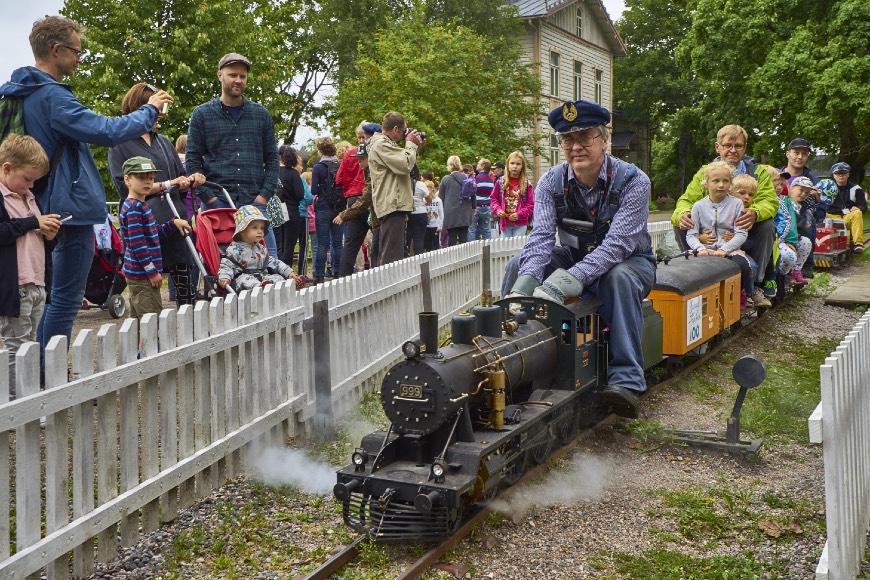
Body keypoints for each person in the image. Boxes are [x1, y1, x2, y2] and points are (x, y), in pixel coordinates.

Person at [0, 15, 172, 348]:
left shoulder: (20, 93)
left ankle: (32, 373)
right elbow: (107, 132)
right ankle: (47, 376)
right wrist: (150, 110)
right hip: (69, 208)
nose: (80, 58)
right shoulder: (53, 97)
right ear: (55, 49)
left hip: (38, 202)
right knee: (64, 299)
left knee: (40, 296)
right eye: (76, 51)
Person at [501, 100, 656, 418]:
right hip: (572, 256)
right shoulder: (549, 182)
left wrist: (566, 281)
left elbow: (617, 247)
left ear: (604, 140)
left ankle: (626, 379)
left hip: (631, 261)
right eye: (567, 139)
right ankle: (508, 358)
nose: (576, 146)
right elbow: (542, 238)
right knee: (518, 266)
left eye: (585, 137)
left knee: (619, 277)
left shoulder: (633, 181)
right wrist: (524, 285)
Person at [108, 82, 197, 307]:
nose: (159, 115)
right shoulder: (119, 143)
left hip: (175, 220)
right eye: (156, 108)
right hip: (143, 223)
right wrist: (167, 184)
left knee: (187, 283)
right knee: (147, 295)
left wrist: (189, 181)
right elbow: (123, 187)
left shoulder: (164, 142)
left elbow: (178, 178)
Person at [185, 52, 279, 257]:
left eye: (242, 76)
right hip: (217, 201)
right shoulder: (202, 114)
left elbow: (272, 159)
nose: (238, 80)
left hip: (254, 201)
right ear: (220, 75)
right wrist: (209, 198)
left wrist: (263, 196)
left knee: (268, 261)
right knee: (218, 266)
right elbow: (192, 159)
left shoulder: (261, 115)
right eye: (232, 75)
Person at [671, 124, 778, 299]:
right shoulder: (705, 172)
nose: (733, 150)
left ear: (745, 148)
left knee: (768, 225)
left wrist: (754, 212)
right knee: (681, 223)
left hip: (744, 231)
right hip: (709, 234)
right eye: (728, 145)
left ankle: (755, 284)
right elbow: (686, 200)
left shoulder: (759, 172)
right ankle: (693, 269)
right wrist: (683, 214)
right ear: (717, 147)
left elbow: (770, 201)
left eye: (739, 146)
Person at [0, 135, 58, 390]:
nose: (30, 185)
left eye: (35, 180)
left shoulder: (30, 198)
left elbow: (34, 241)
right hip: (16, 285)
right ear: (7, 168)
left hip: (36, 282)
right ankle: (17, 403)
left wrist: (49, 236)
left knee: (30, 344)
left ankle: (28, 397)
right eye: (27, 179)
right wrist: (34, 222)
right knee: (16, 347)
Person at [118, 157, 191, 318]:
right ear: (127, 179)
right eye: (142, 178)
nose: (147, 182)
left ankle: (139, 343)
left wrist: (172, 224)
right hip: (142, 274)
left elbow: (153, 233)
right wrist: (151, 271)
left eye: (151, 178)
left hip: (142, 272)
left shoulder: (141, 205)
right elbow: (138, 245)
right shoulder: (134, 208)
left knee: (140, 319)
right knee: (150, 320)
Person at [685, 162, 755, 310]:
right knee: (684, 265)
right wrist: (699, 247)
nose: (721, 185)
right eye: (716, 181)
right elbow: (691, 234)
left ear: (730, 184)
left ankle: (745, 292)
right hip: (705, 249)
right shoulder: (698, 206)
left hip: (729, 249)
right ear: (706, 183)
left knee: (743, 265)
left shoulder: (737, 204)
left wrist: (725, 249)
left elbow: (742, 233)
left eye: (725, 181)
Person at [367, 112, 423, 265]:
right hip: (392, 204)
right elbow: (404, 164)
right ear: (396, 128)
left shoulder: (386, 144)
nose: (405, 134)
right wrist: (410, 144)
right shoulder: (381, 144)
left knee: (394, 252)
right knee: (391, 257)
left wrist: (414, 148)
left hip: (394, 203)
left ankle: (389, 285)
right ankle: (388, 287)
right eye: (404, 130)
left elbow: (409, 167)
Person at [218, 205, 303, 291]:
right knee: (246, 280)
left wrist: (288, 272)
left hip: (262, 277)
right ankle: (260, 287)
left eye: (262, 228)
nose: (260, 231)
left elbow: (273, 262)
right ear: (242, 231)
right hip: (243, 278)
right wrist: (225, 277)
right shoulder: (234, 249)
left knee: (278, 277)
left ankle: (290, 284)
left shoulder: (261, 248)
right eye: (255, 228)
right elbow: (226, 265)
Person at [729, 174, 767, 307]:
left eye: (751, 195)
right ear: (730, 191)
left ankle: (747, 291)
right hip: (715, 249)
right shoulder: (723, 210)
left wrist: (737, 241)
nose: (746, 197)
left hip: (738, 251)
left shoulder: (747, 216)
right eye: (742, 193)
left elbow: (750, 243)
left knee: (752, 266)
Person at [334, 144, 371, 276]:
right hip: (367, 199)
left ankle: (344, 277)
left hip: (353, 197)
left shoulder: (349, 154)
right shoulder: (372, 150)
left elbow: (338, 179)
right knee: (375, 242)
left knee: (350, 244)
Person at [311, 137, 345, 283]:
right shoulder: (340, 165)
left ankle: (319, 275)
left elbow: (313, 190)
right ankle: (338, 272)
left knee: (322, 243)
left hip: (323, 207)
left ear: (320, 150)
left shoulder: (318, 167)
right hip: (338, 208)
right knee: (338, 243)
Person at [775, 177, 814, 283]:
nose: (803, 194)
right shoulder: (783, 201)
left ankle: (795, 270)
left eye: (806, 193)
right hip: (781, 238)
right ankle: (782, 274)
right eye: (801, 190)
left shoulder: (802, 207)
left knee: (806, 242)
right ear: (791, 188)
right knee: (788, 256)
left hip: (793, 237)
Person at [275, 145, 307, 270]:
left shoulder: (273, 172)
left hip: (276, 210)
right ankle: (286, 271)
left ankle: (277, 270)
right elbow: (300, 194)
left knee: (278, 243)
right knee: (289, 244)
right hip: (291, 210)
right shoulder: (293, 173)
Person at [491, 151, 534, 238]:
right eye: (512, 163)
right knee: (505, 248)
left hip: (520, 223)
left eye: (518, 164)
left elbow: (530, 205)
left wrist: (519, 214)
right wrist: (498, 210)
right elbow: (493, 199)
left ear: (522, 166)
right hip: (504, 222)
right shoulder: (500, 182)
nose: (515, 166)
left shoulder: (527, 184)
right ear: (507, 165)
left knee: (517, 248)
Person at [826, 162, 866, 253]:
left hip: (847, 217)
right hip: (831, 217)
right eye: (838, 173)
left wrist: (858, 207)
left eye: (844, 173)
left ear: (848, 174)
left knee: (858, 213)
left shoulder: (856, 189)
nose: (841, 176)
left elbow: (864, 206)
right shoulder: (827, 188)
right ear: (833, 175)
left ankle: (858, 244)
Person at [440, 155, 472, 246]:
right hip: (465, 211)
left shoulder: (445, 179)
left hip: (450, 212)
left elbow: (441, 197)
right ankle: (465, 257)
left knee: (452, 238)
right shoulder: (467, 178)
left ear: (449, 165)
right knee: (464, 238)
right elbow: (473, 194)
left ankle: (453, 258)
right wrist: (473, 207)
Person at [468, 159, 495, 241]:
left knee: (471, 229)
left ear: (483, 166)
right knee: (486, 229)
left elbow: (471, 193)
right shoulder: (491, 180)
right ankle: (489, 249)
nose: (477, 165)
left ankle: (472, 250)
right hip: (487, 207)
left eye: (478, 163)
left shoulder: (476, 179)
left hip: (476, 207)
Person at [407, 166, 429, 255]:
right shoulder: (421, 184)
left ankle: (406, 257)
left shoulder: (404, 183)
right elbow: (429, 199)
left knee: (407, 238)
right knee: (419, 239)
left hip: (408, 213)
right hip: (421, 213)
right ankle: (418, 259)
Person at [425, 176, 444, 251]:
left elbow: (441, 213)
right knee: (427, 245)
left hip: (435, 225)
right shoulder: (423, 200)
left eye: (428, 187)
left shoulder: (438, 200)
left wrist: (440, 225)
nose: (427, 190)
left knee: (435, 244)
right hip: (427, 225)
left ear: (432, 188)